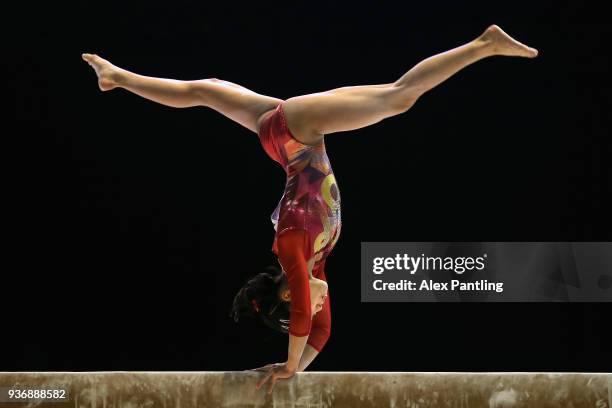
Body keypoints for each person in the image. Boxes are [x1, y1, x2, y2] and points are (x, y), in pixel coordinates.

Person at [82, 24, 538, 394]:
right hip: (281, 138)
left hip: (299, 130)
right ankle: (117, 77)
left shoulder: (292, 249)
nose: (318, 303)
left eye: (300, 302)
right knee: (204, 90)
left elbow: (302, 314)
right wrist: (297, 370)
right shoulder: (316, 261)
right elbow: (321, 331)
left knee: (398, 96)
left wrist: (287, 362)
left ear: (286, 291)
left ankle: (484, 44)